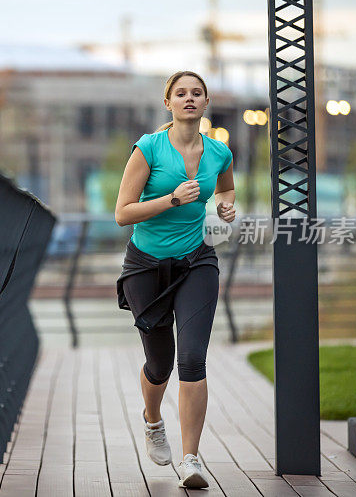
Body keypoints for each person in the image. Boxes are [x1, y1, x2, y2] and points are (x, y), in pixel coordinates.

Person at [114, 70, 236, 489]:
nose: (189, 98)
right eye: (180, 93)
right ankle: (152, 420)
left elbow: (226, 188)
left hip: (196, 262)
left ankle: (191, 459)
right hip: (146, 266)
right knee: (160, 363)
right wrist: (170, 200)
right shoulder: (149, 148)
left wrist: (225, 206)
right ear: (168, 102)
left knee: (192, 359)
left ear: (205, 102)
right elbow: (122, 213)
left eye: (196, 93)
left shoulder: (219, 151)